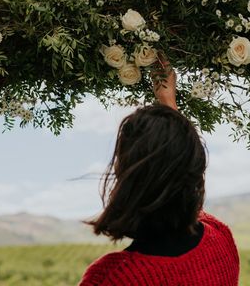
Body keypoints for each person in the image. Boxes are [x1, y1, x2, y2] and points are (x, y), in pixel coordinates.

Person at [79, 55, 240, 285]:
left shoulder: (112, 279)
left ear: (129, 174)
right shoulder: (220, 239)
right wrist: (169, 105)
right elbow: (180, 176)